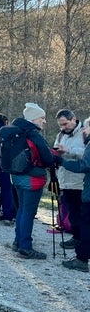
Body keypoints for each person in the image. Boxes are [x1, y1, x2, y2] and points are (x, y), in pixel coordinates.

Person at [9, 102, 56, 259]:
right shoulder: (33, 134)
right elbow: (48, 158)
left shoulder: (16, 131)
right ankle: (25, 247)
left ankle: (18, 242)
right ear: (35, 119)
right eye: (42, 118)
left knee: (22, 210)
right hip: (32, 178)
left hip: (16, 175)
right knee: (28, 212)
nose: (44, 121)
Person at [54, 117, 90, 272]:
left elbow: (84, 165)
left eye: (86, 129)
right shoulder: (61, 135)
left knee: (86, 224)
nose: (84, 131)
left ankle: (81, 259)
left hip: (84, 188)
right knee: (78, 217)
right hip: (67, 182)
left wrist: (63, 161)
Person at [53, 109, 85, 249]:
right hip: (65, 180)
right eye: (60, 125)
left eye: (65, 124)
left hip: (80, 181)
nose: (63, 127)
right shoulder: (60, 135)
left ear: (74, 119)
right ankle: (76, 237)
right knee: (72, 213)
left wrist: (69, 151)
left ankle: (83, 241)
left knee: (83, 214)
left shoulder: (85, 133)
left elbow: (87, 155)